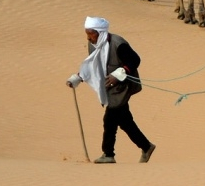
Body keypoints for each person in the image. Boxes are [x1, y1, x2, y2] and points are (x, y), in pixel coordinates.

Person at [66, 16, 156, 164]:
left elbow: (135, 60)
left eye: (91, 34)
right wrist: (77, 78)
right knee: (125, 121)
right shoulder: (93, 45)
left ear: (100, 32)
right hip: (109, 87)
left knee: (110, 119)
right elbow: (92, 66)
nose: (88, 38)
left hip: (123, 87)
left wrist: (119, 74)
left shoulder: (118, 43)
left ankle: (108, 154)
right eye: (87, 34)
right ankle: (146, 146)